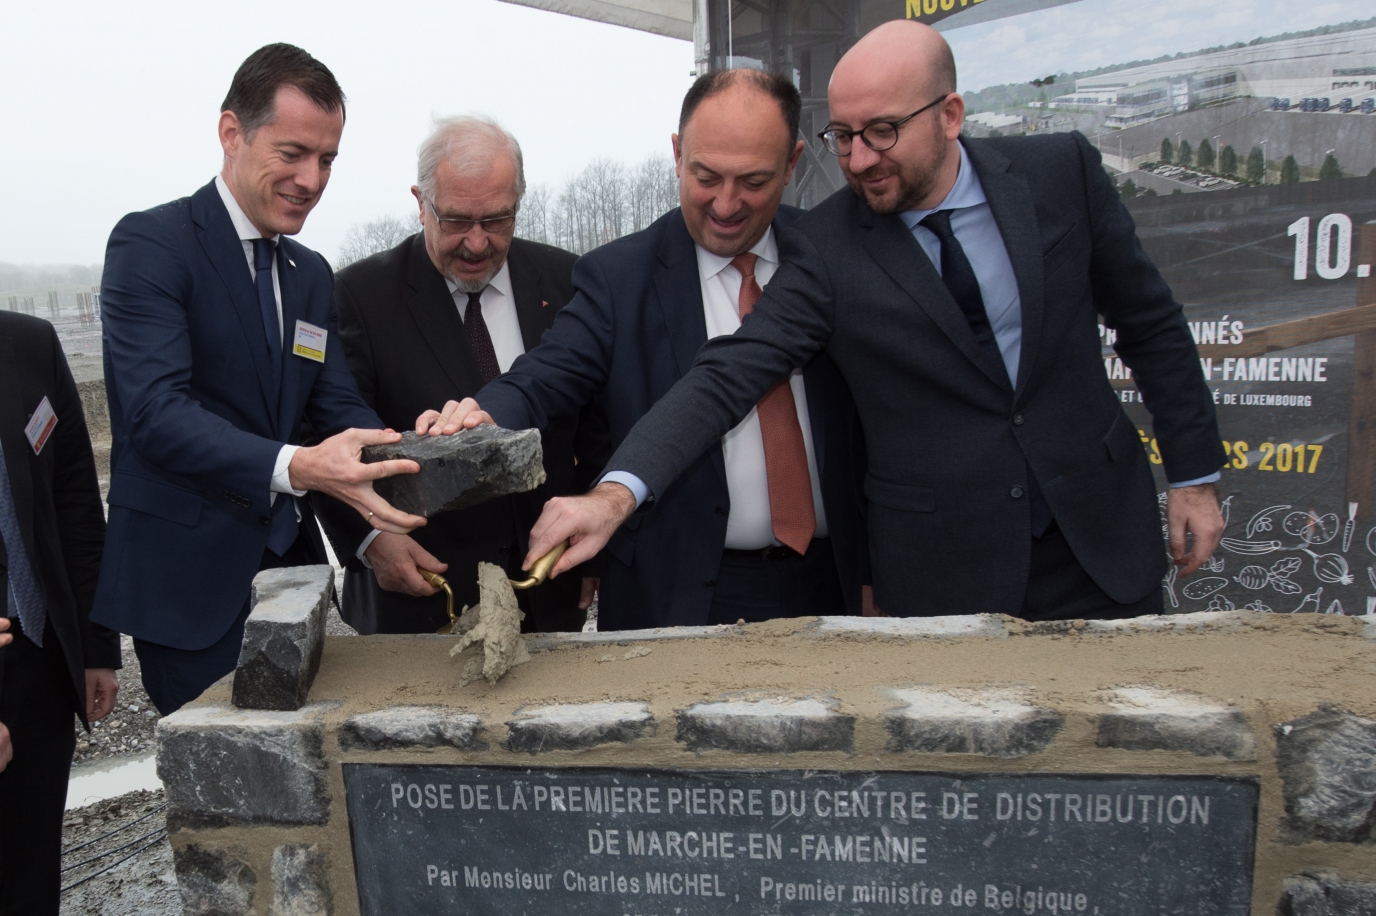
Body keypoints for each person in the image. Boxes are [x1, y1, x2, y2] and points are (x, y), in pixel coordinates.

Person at [433, 24, 1226, 620]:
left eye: (881, 132)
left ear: (949, 114)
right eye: (843, 137)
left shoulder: (1061, 176)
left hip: (1095, 538)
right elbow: (722, 377)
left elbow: (1149, 322)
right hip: (939, 575)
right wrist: (611, 495)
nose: (859, 159)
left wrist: (1193, 473)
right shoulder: (838, 251)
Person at [424, 70, 871, 629]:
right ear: (678, 154)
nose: (726, 204)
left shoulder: (833, 258)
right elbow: (549, 372)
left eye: (753, 181)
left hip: (835, 583)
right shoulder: (619, 277)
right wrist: (484, 413)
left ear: (792, 163)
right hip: (679, 594)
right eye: (706, 176)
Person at [93, 44, 425, 715]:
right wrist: (299, 466)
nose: (312, 177)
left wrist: (418, 444)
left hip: (289, 578)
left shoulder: (309, 274)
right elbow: (156, 415)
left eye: (328, 158)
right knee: (225, 794)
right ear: (231, 134)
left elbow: (332, 405)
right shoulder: (152, 246)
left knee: (299, 782)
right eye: (293, 152)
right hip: (189, 588)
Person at [313, 116, 609, 634]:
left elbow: (601, 423)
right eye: (455, 221)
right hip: (419, 597)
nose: (477, 243)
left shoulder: (567, 281)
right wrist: (372, 540)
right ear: (420, 202)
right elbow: (325, 436)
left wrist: (597, 527)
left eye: (497, 220)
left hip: (549, 588)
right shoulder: (357, 296)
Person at [0, 312, 120, 914]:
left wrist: (97, 647)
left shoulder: (29, 343)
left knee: (27, 875)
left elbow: (74, 501)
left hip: (37, 661)